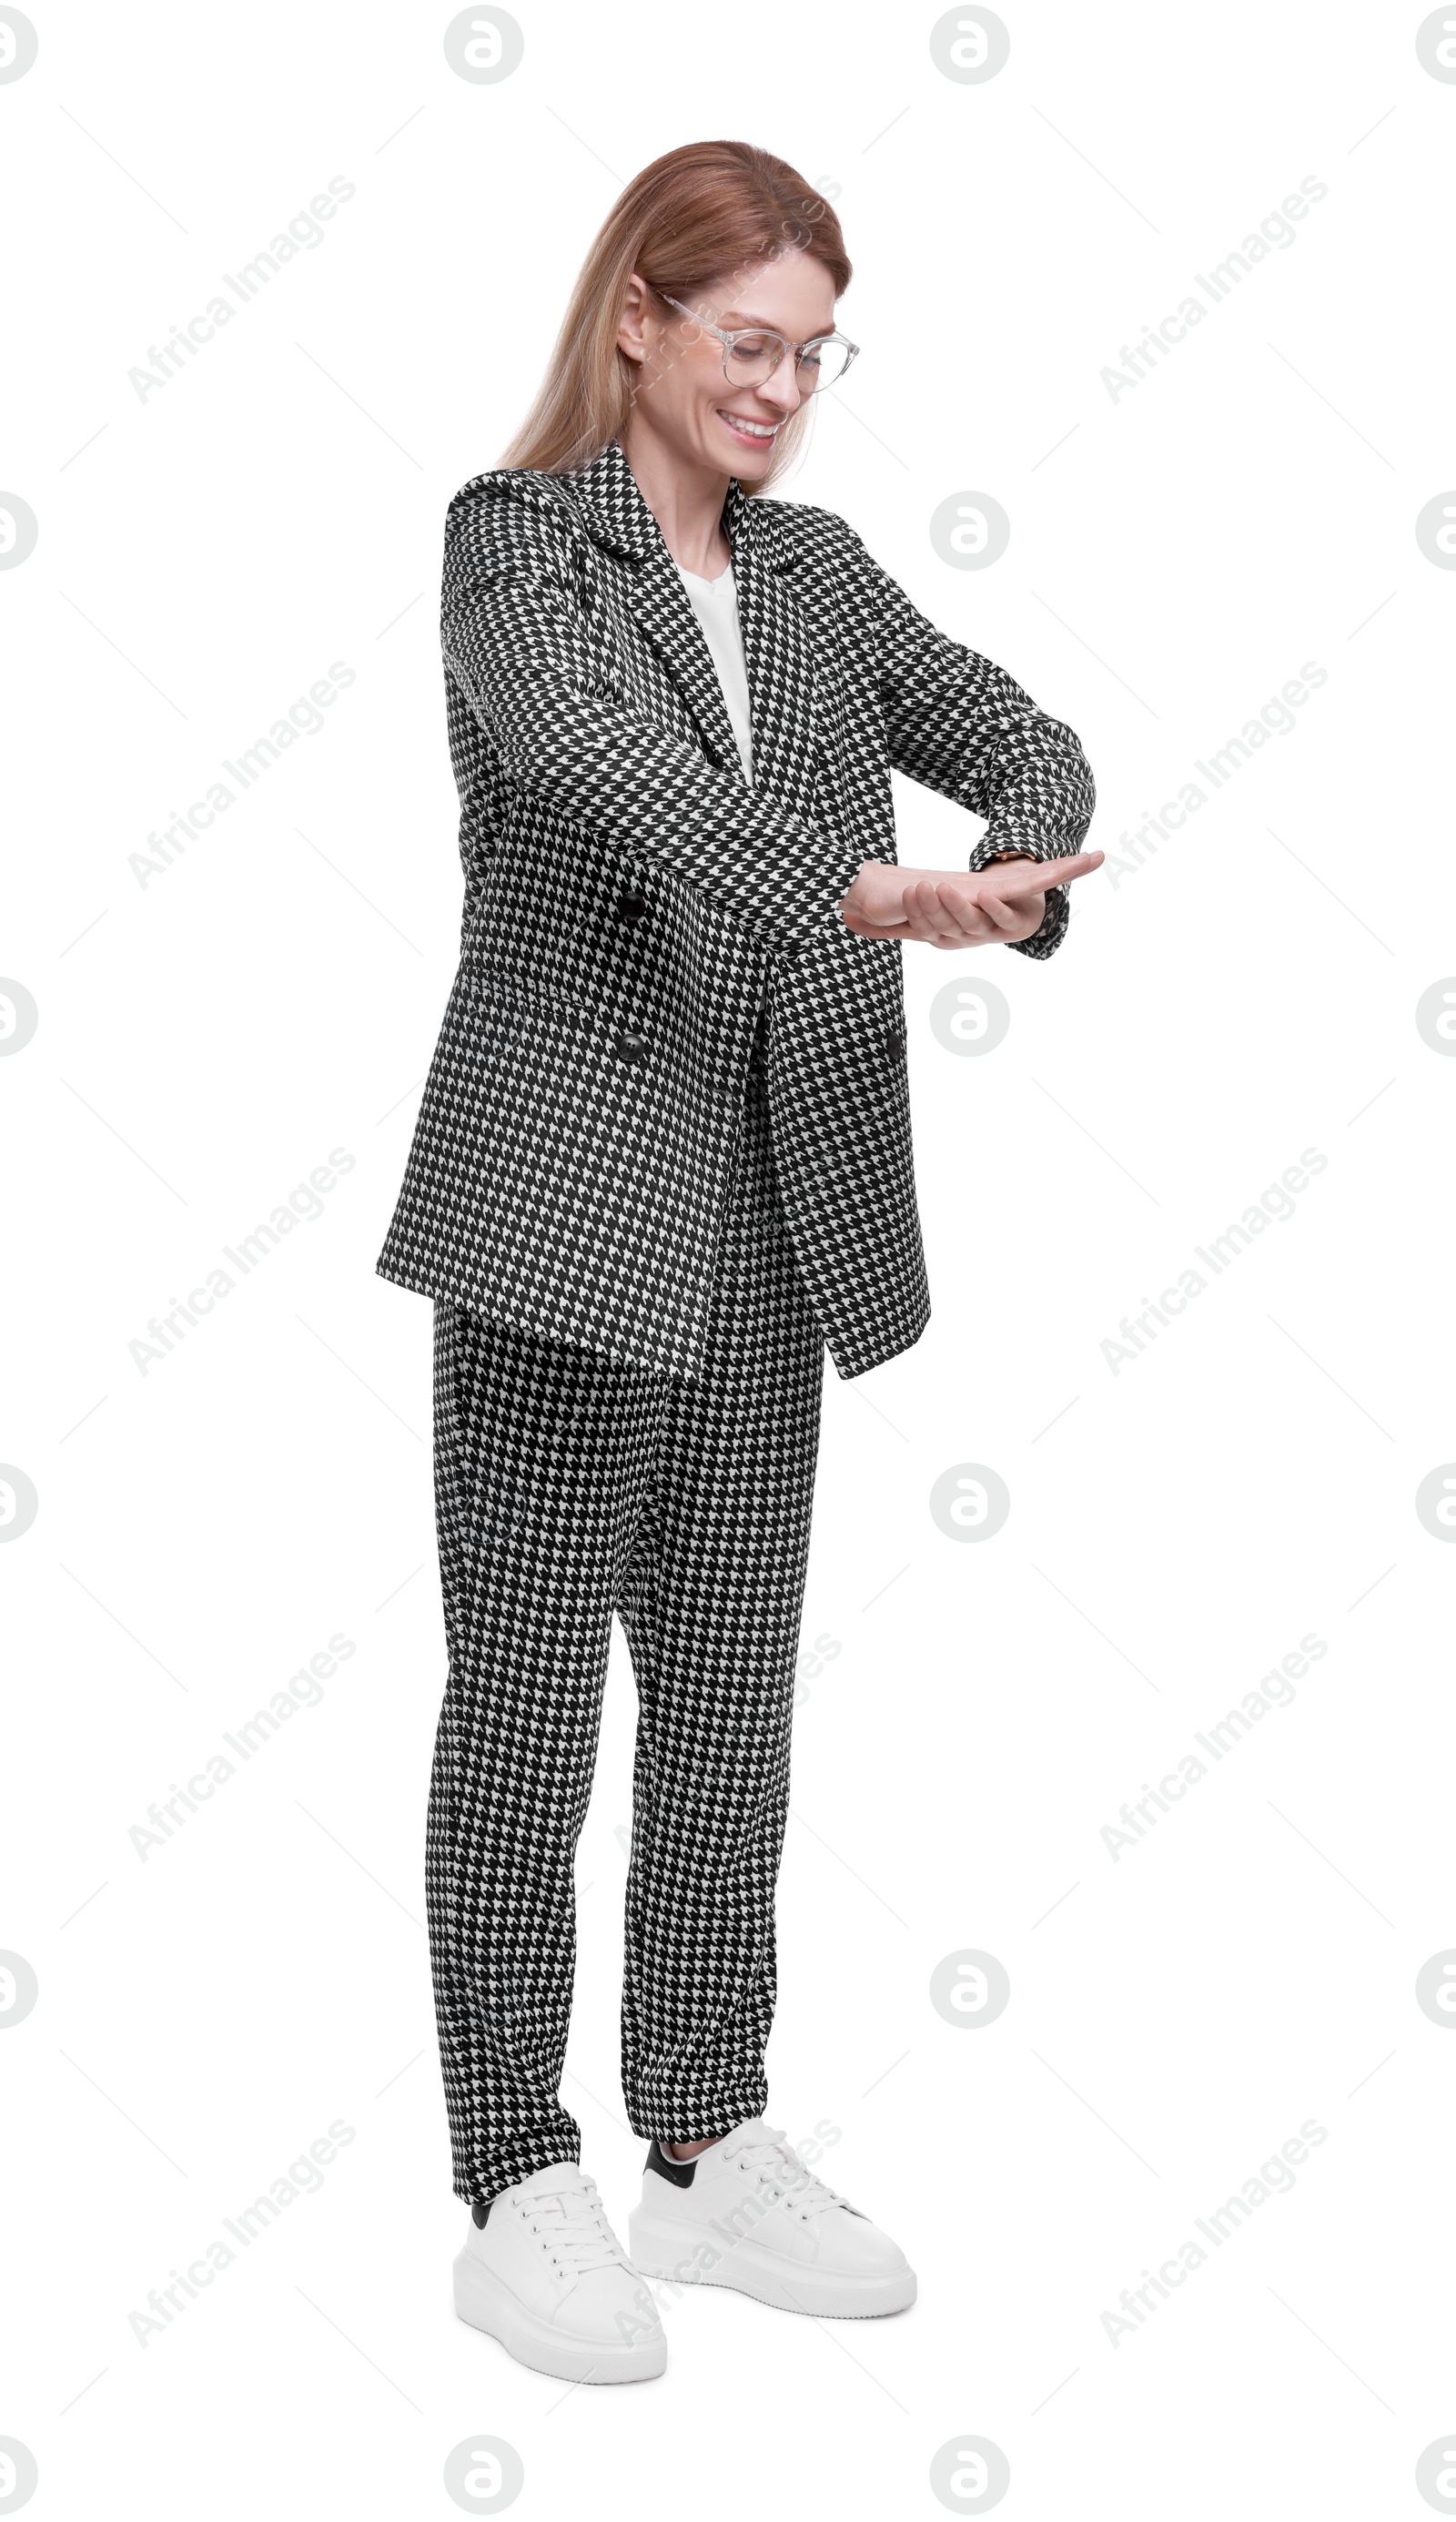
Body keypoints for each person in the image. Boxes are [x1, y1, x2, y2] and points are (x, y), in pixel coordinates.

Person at [375, 137, 1101, 2385]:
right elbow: (617, 790)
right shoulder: (517, 551)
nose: (782, 386)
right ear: (639, 324)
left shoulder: (813, 572)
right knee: (522, 1721)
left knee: (725, 1718)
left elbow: (1009, 721)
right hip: (561, 1217)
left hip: (769, 1225)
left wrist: (1014, 839)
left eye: (812, 348)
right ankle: (517, 2171)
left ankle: (697, 2144)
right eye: (745, 342)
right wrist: (878, 897)